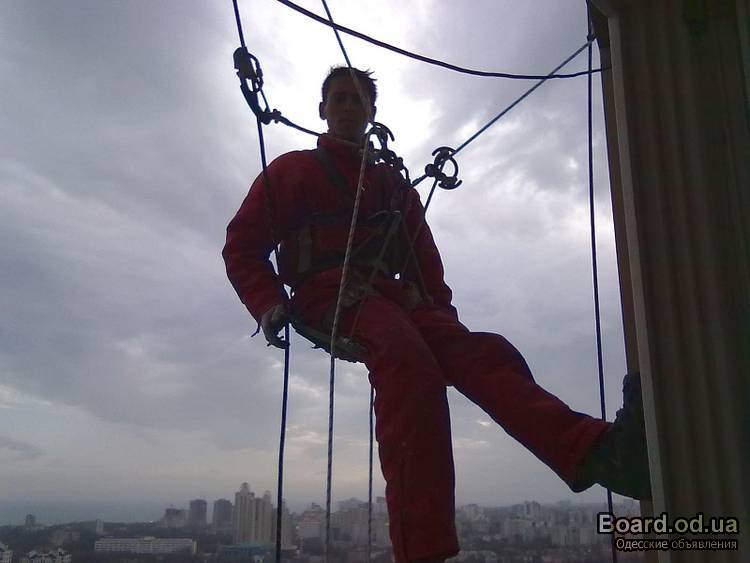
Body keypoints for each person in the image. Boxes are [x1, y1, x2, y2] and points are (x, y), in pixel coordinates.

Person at [223, 66, 650, 562]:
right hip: (327, 295)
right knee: (409, 367)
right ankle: (422, 551)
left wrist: (443, 323)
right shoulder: (292, 172)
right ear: (322, 110)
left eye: (358, 100)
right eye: (339, 99)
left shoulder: (391, 185)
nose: (348, 107)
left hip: (393, 301)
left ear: (372, 112)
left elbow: (425, 264)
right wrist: (269, 303)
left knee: (479, 354)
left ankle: (598, 452)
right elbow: (243, 246)